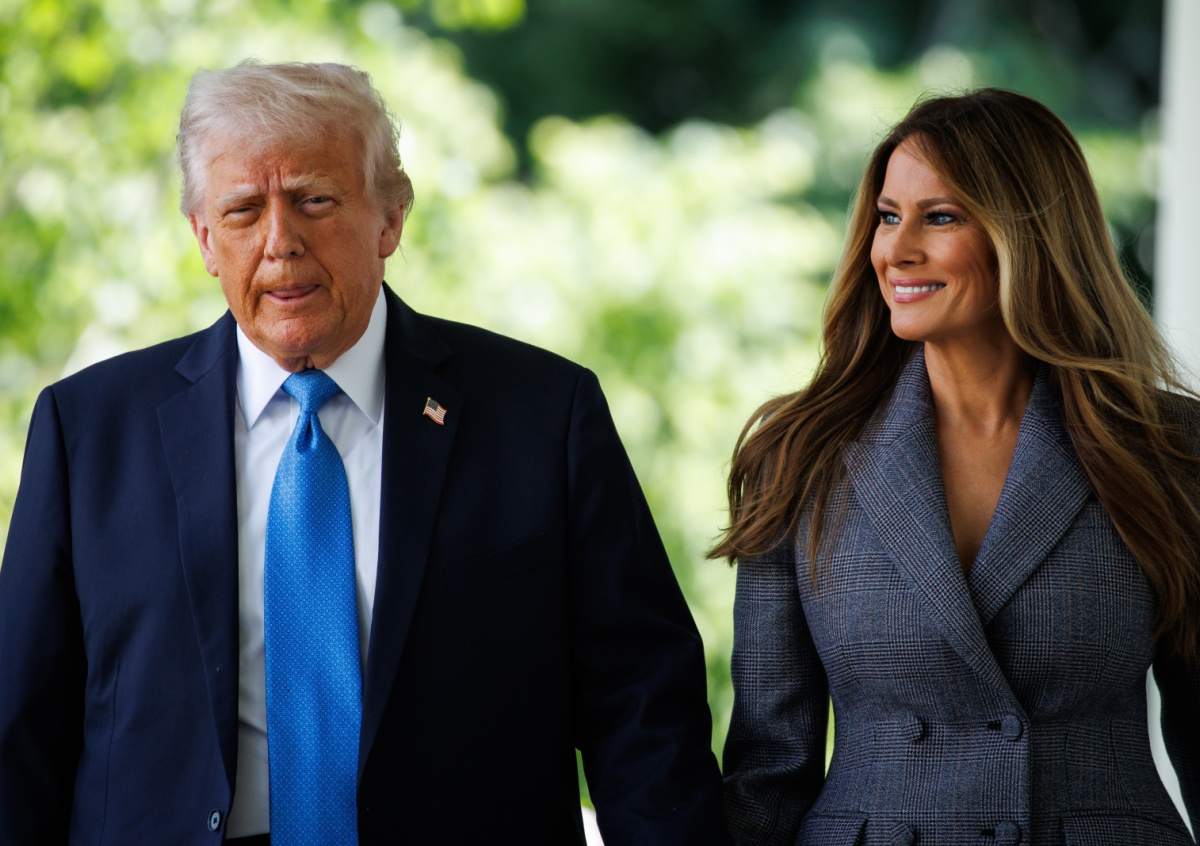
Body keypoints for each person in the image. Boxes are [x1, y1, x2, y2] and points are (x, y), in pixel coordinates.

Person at [0, 60, 729, 845]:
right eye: (243, 210)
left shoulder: (544, 415)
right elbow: (20, 734)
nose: (280, 243)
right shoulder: (88, 430)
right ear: (205, 239)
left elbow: (644, 707)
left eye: (314, 200)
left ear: (390, 218)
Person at [713, 89, 1200, 845]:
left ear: (1028, 234)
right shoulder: (800, 453)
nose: (896, 250)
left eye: (939, 217)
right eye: (887, 216)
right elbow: (769, 768)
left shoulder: (1167, 447)